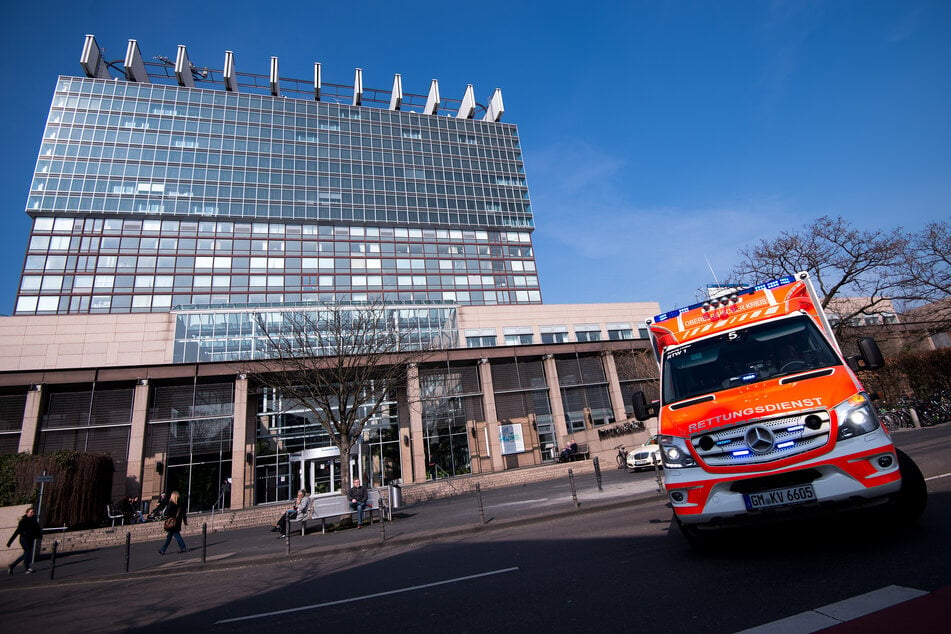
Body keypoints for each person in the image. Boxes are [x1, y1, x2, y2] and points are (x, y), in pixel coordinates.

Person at [6, 506, 42, 574]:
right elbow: (17, 531)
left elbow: (37, 529)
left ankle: (12, 565)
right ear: (27, 513)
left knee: (26, 554)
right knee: (27, 551)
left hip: (30, 539)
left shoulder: (34, 520)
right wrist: (10, 542)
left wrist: (39, 536)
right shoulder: (23, 521)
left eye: (33, 512)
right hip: (24, 539)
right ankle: (27, 568)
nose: (32, 513)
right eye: (31, 512)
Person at [157, 490, 187, 555]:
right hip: (178, 522)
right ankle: (163, 550)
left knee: (175, 535)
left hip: (172, 522)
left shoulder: (172, 503)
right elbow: (184, 513)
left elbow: (166, 512)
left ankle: (183, 547)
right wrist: (185, 521)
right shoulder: (180, 503)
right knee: (170, 536)